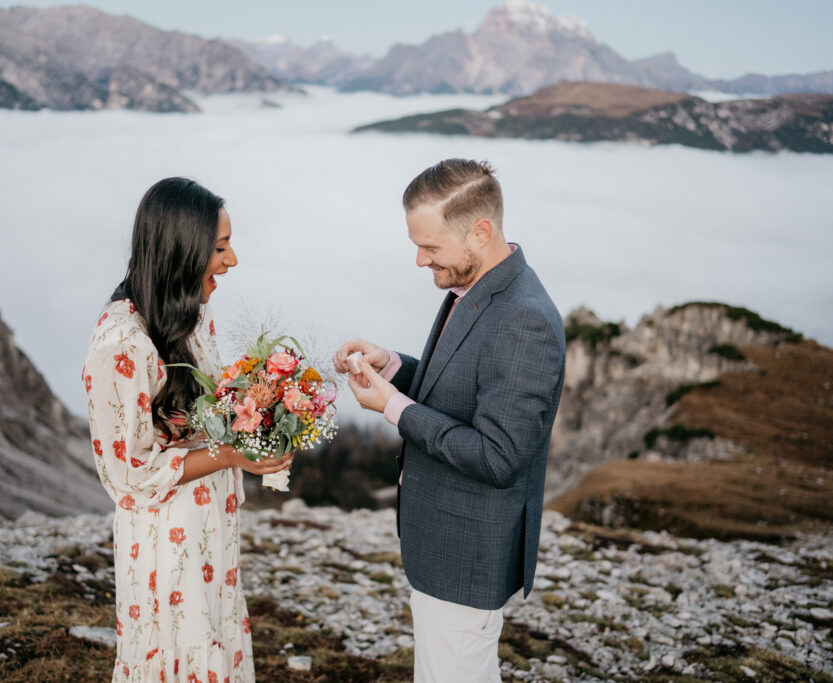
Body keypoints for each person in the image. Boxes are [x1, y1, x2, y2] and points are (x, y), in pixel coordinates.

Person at [333, 159, 566, 682]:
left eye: (431, 246)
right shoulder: (475, 287)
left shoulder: (524, 318)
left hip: (469, 558)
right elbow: (455, 392)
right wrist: (393, 367)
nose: (419, 259)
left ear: (480, 232)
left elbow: (498, 456)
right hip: (445, 549)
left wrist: (394, 407)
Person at [82, 177, 292, 683]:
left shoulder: (190, 314)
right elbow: (129, 478)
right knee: (178, 651)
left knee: (214, 640)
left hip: (209, 524)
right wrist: (233, 453)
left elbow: (204, 409)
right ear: (181, 252)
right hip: (163, 541)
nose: (232, 259)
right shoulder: (121, 348)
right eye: (219, 248)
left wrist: (259, 407)